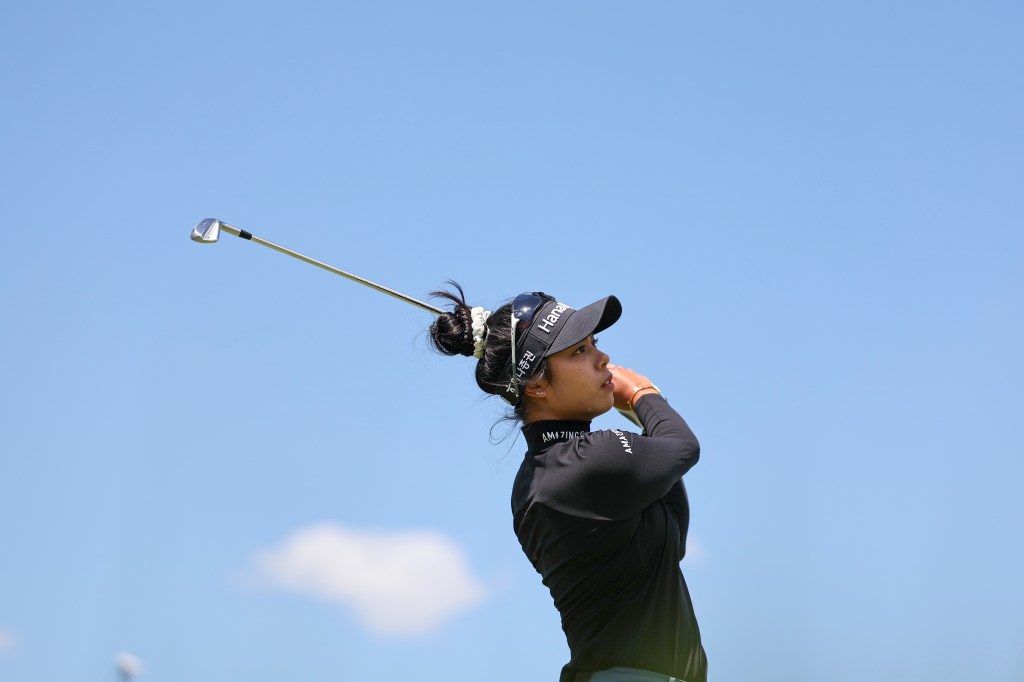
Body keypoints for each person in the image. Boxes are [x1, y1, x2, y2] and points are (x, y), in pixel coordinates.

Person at [428, 283, 706, 682]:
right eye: (579, 351)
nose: (603, 358)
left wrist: (636, 411)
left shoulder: (551, 471)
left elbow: (671, 537)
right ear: (536, 385)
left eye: (594, 343)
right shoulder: (590, 461)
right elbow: (682, 448)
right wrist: (642, 394)